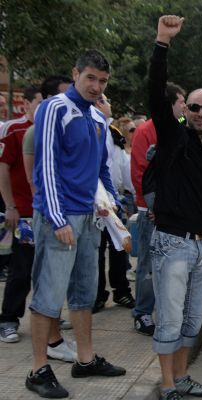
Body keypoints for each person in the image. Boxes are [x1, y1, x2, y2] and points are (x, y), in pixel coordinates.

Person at [26, 49, 126, 399]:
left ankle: (85, 360)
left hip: (89, 218)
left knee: (85, 293)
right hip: (60, 217)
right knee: (48, 295)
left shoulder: (97, 119)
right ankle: (38, 369)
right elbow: (46, 167)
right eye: (90, 79)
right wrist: (56, 218)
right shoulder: (54, 108)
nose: (96, 86)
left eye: (102, 81)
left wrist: (111, 204)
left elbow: (102, 171)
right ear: (76, 74)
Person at [150, 15, 202, 400]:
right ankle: (167, 386)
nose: (199, 113)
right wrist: (163, 42)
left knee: (193, 320)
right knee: (171, 318)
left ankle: (180, 378)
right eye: (194, 107)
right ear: (185, 109)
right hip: (172, 243)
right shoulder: (171, 136)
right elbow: (155, 91)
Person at [0, 80, 76, 361]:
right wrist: (10, 206)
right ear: (30, 102)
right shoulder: (16, 130)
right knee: (20, 270)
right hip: (24, 214)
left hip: (51, 214)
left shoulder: (62, 127)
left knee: (49, 275)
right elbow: (4, 170)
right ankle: (9, 318)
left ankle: (51, 327)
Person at [130, 82, 186, 336]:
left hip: (171, 212)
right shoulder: (145, 131)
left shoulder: (179, 130)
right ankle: (142, 313)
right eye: (182, 102)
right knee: (148, 266)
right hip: (150, 212)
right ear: (169, 103)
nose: (185, 106)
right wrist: (155, 207)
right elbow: (142, 174)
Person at [93, 95, 135, 313]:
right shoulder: (93, 126)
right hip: (95, 196)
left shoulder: (112, 132)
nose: (109, 104)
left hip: (113, 197)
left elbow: (117, 167)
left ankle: (121, 291)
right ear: (99, 104)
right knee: (98, 249)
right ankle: (98, 294)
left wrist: (118, 196)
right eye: (107, 101)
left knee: (119, 245)